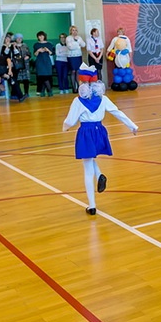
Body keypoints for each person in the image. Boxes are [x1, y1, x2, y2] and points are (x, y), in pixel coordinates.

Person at [62, 65, 138, 215]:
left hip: (85, 132)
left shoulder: (78, 101)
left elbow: (70, 121)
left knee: (87, 167)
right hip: (100, 131)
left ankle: (92, 205)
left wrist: (65, 128)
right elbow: (117, 112)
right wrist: (132, 126)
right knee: (90, 158)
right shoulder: (103, 99)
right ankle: (100, 175)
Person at [33, 31, 55, 97]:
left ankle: (47, 90)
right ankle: (46, 90)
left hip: (47, 61)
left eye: (42, 36)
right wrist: (38, 51)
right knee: (42, 76)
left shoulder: (49, 44)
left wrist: (47, 50)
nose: (41, 37)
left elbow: (52, 53)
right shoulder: (36, 45)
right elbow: (35, 54)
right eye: (39, 36)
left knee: (47, 76)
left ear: (44, 36)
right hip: (40, 62)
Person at [66, 25, 85, 92]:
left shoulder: (79, 37)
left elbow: (83, 45)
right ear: (71, 31)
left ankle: (79, 87)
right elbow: (70, 47)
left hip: (78, 56)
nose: (74, 32)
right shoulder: (68, 38)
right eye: (73, 30)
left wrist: (77, 43)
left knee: (78, 71)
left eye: (75, 30)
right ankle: (74, 87)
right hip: (71, 56)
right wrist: (77, 45)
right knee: (73, 71)